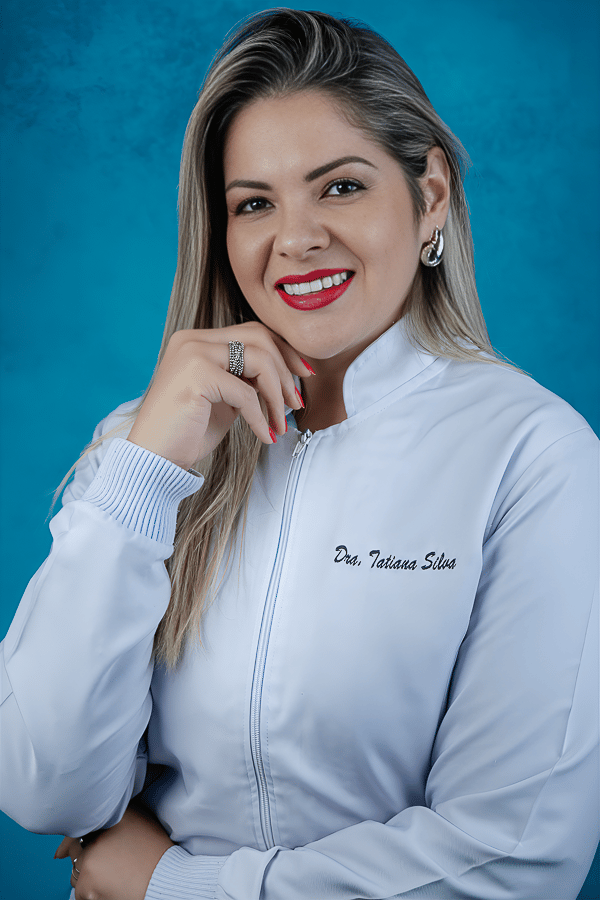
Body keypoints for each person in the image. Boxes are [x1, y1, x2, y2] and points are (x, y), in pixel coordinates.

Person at [1, 8, 598, 899]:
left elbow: (512, 858)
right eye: (254, 203)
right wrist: (145, 472)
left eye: (341, 187)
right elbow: (41, 787)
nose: (296, 238)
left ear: (430, 194)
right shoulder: (144, 447)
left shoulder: (533, 455)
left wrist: (168, 886)